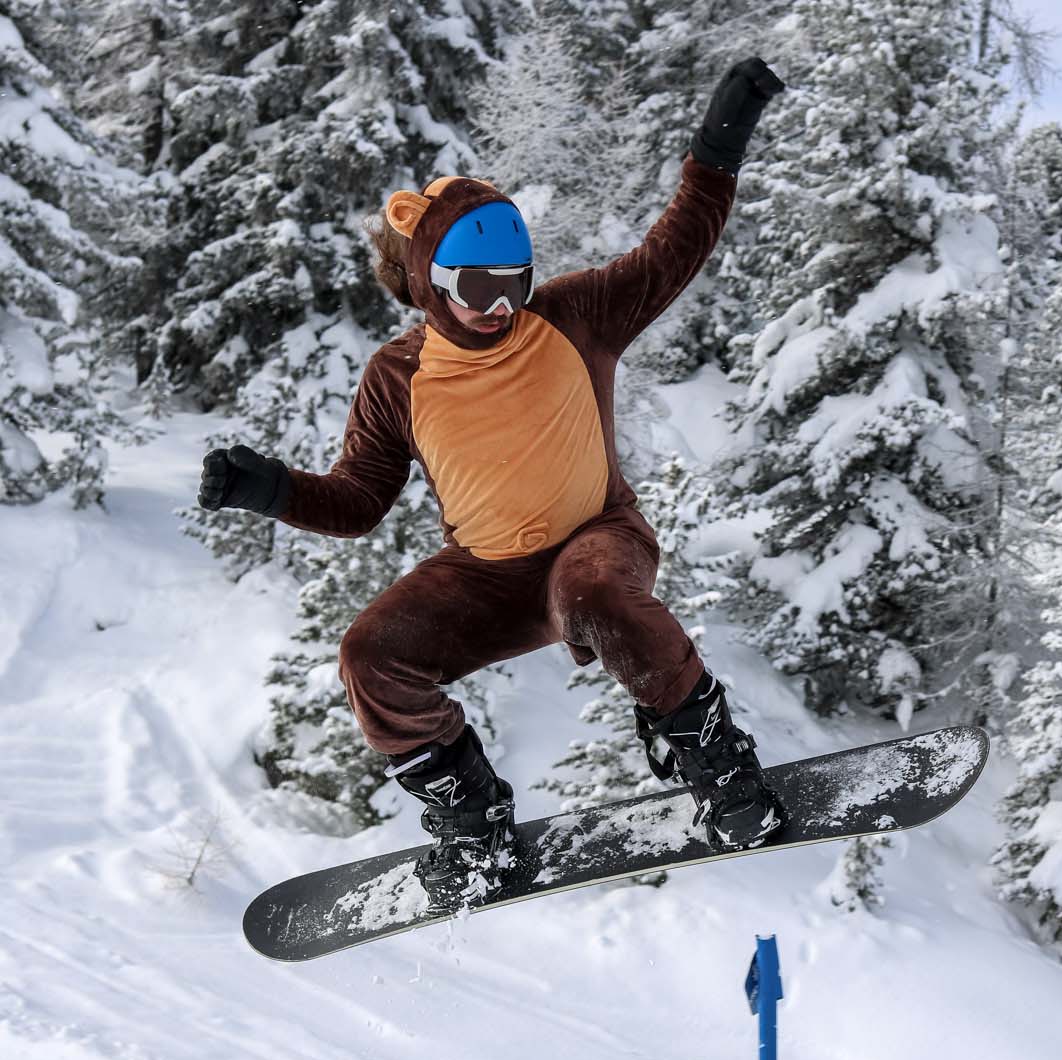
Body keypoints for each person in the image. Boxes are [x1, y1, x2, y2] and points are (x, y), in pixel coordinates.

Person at [198, 57, 789, 906]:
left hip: (598, 536)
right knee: (372, 657)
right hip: (485, 574)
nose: (499, 303)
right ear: (427, 284)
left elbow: (678, 242)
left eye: (512, 280)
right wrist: (276, 492)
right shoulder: (399, 376)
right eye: (474, 284)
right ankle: (476, 830)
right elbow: (360, 503)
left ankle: (723, 773)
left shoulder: (575, 315)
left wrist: (719, 142)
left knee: (598, 597)